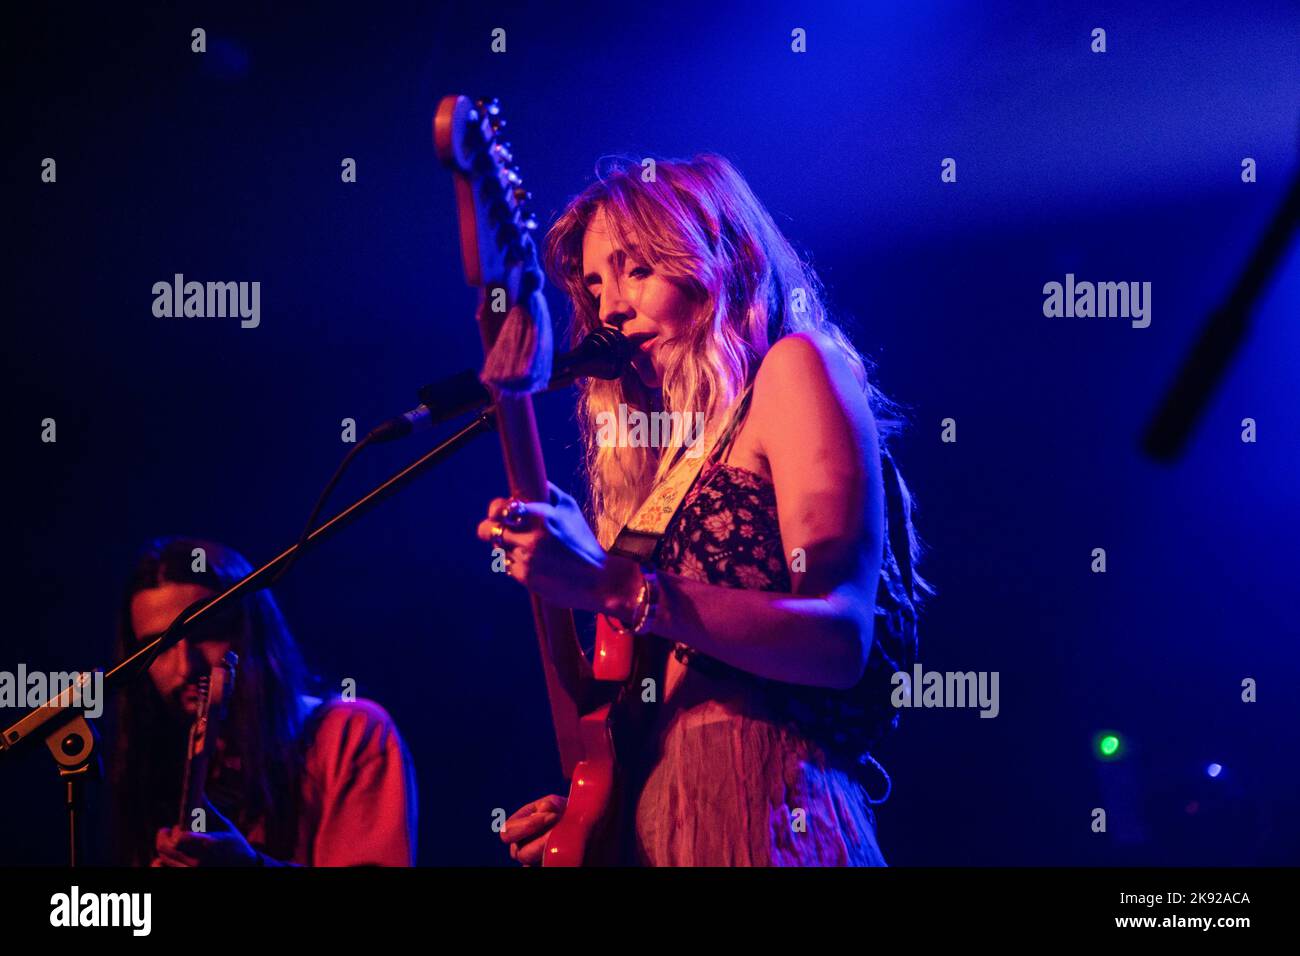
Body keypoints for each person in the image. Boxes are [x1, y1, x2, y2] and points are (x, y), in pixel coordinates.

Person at [478, 154, 932, 866]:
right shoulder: (667, 466)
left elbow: (841, 637)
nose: (610, 308)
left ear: (723, 258)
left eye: (636, 270)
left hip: (775, 813)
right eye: (594, 287)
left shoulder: (793, 368)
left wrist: (614, 585)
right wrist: (594, 810)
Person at [110, 536, 417, 866]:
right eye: (157, 647)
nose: (185, 667)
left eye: (204, 631)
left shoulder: (350, 732)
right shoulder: (152, 762)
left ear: (251, 630)